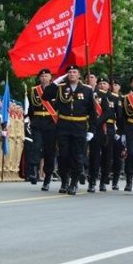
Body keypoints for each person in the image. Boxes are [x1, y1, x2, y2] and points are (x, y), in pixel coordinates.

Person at [41, 65, 97, 195]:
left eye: (74, 72)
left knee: (77, 155)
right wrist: (57, 81)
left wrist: (91, 130)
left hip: (79, 126)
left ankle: (74, 182)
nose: (71, 74)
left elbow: (92, 112)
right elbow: (45, 96)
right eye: (69, 72)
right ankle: (65, 181)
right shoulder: (60, 88)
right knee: (63, 155)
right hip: (64, 126)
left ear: (79, 75)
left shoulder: (87, 90)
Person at [27, 68, 58, 191]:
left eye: (46, 75)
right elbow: (31, 109)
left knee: (49, 151)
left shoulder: (57, 90)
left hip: (51, 123)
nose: (44, 77)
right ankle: (33, 170)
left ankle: (47, 177)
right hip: (38, 121)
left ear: (51, 77)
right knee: (36, 146)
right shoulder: (34, 91)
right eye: (42, 76)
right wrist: (32, 121)